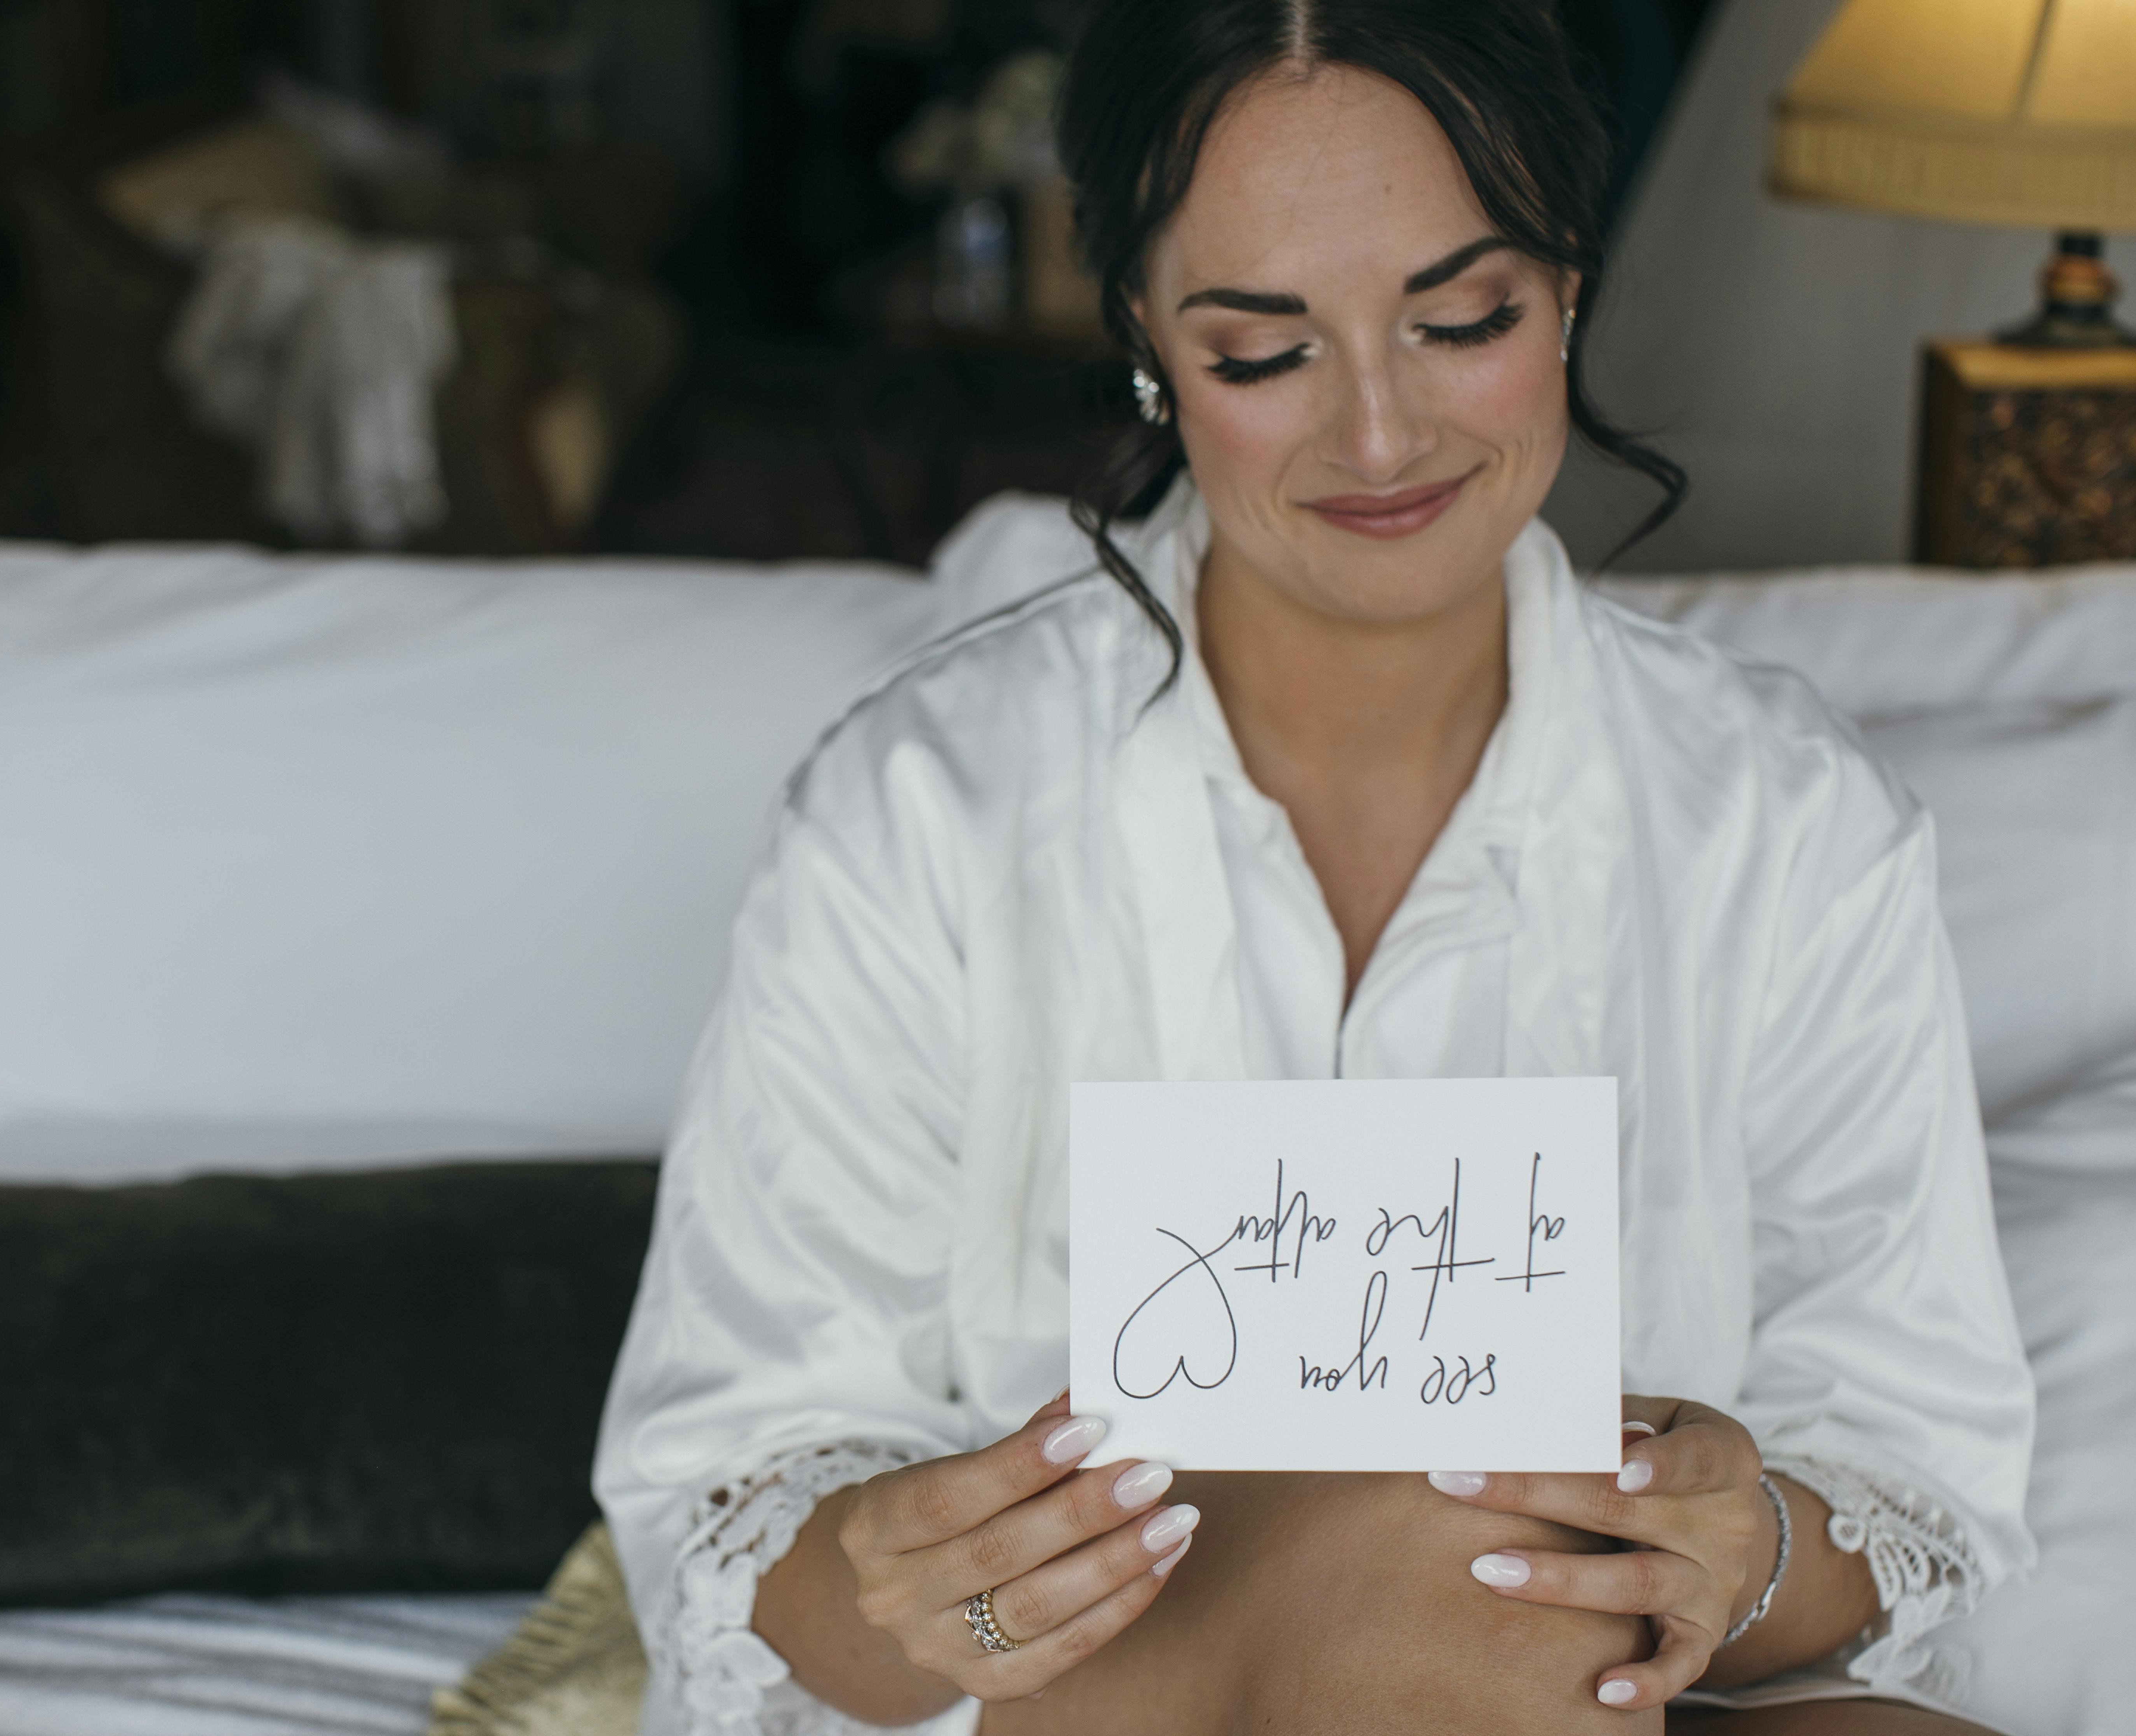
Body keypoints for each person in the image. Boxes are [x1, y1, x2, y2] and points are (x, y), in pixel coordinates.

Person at [592, 2, 2035, 1731]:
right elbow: (731, 1520)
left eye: (1461, 318)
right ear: (1145, 338)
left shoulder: (1788, 820)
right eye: (1263, 350)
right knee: (1470, 1571)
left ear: (1568, 286)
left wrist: (1744, 1546)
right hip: (1085, 1698)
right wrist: (922, 1588)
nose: (1378, 437)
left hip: (1617, 1698)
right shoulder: (924, 807)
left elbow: (1916, 1483)